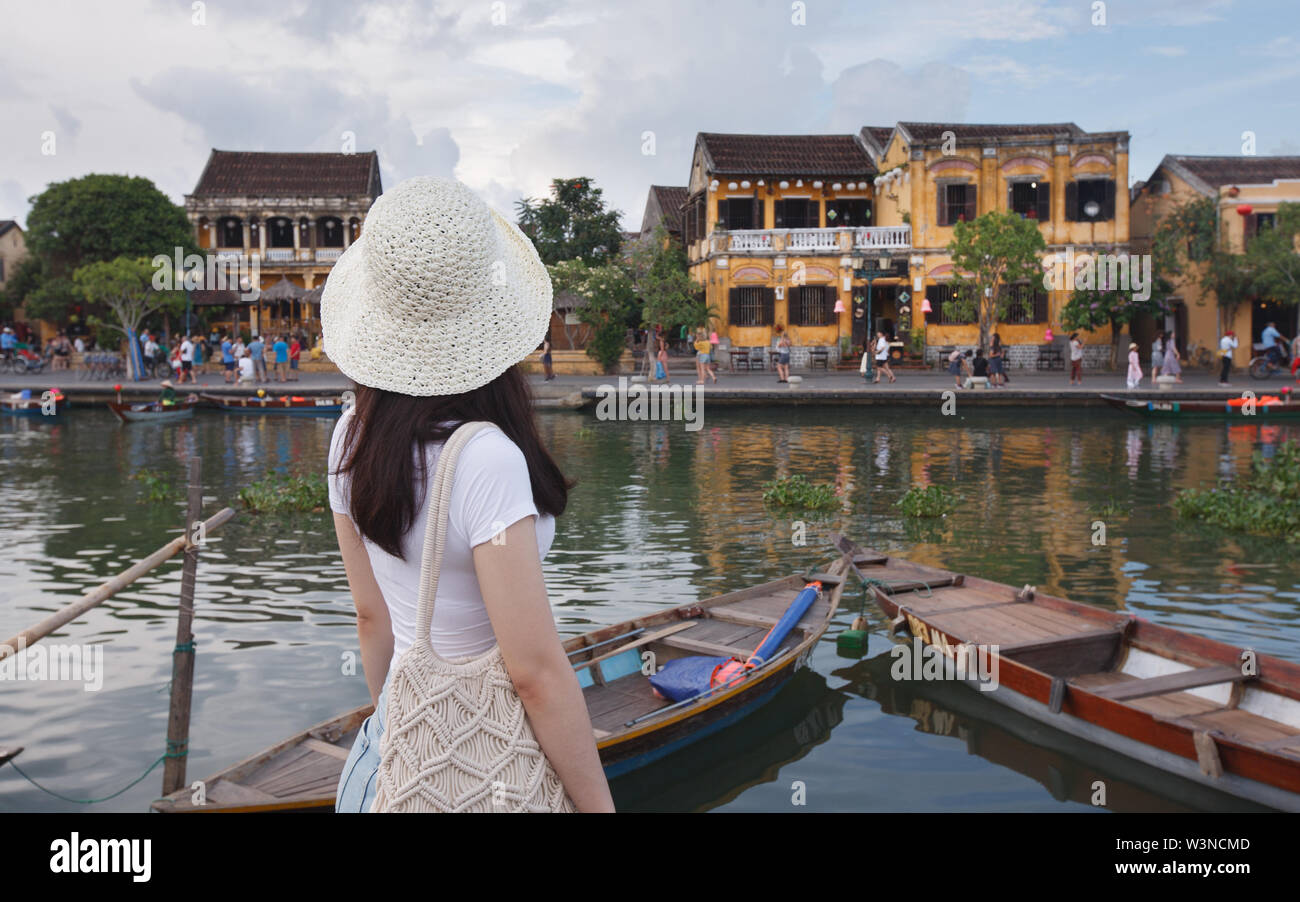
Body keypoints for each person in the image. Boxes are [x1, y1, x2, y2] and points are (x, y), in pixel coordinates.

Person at [325, 176, 613, 814]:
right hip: (482, 776)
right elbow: (534, 673)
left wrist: (401, 732)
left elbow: (371, 618)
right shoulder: (487, 458)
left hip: (382, 768)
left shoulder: (349, 434)